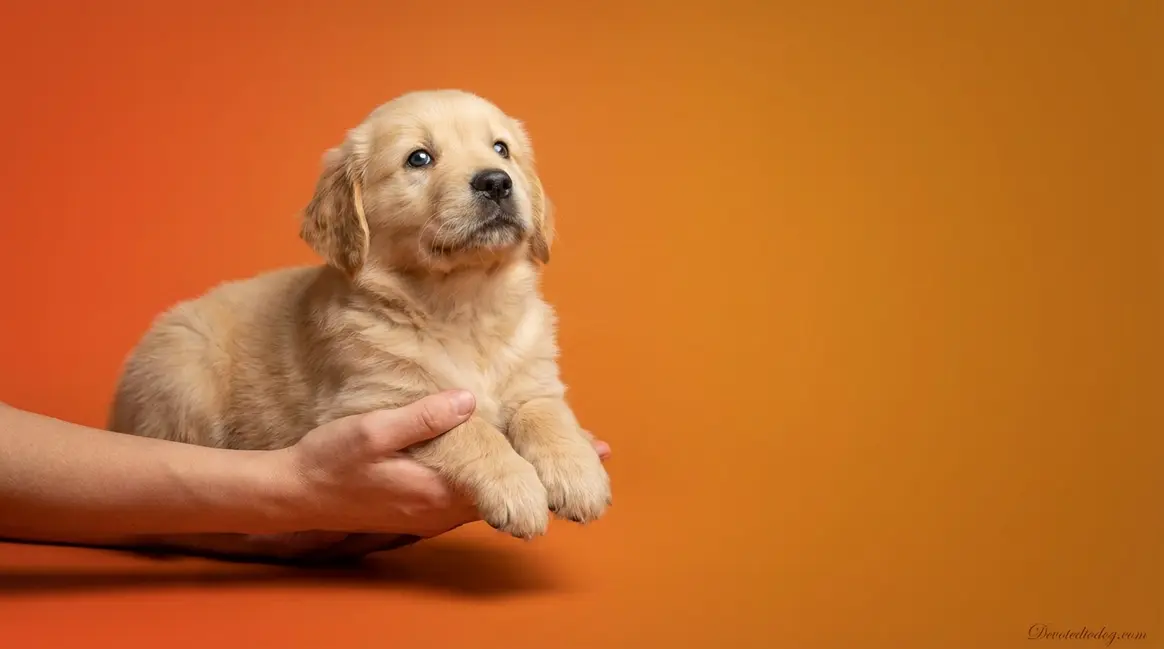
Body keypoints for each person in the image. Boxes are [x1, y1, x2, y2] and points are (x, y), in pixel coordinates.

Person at [0, 390, 610, 560]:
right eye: (419, 160)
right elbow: (394, 407)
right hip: (209, 414)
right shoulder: (357, 313)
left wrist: (545, 430)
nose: (490, 173)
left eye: (501, 150)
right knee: (182, 361)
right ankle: (176, 526)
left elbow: (530, 394)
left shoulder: (525, 320)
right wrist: (290, 489)